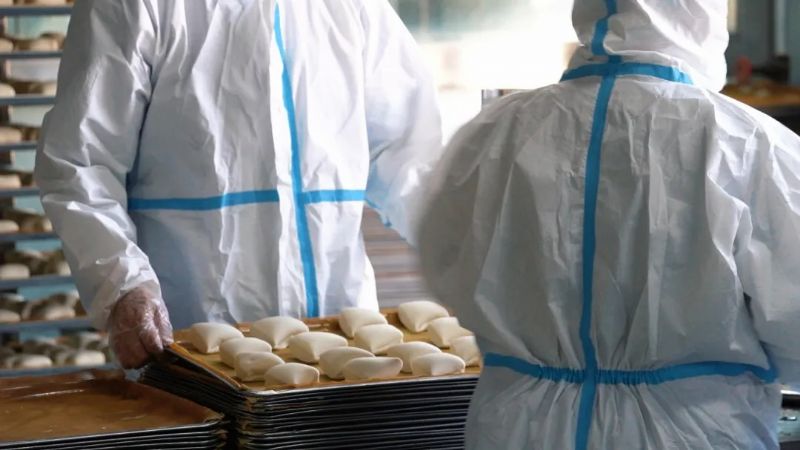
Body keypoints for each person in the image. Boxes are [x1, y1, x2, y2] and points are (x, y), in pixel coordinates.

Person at [418, 0, 800, 448]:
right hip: (689, 432)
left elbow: (445, 270)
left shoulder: (493, 132)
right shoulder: (746, 142)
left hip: (518, 427)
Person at [35, 0, 442, 369]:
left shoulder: (356, 8)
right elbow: (83, 163)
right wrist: (123, 285)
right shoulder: (136, 6)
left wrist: (462, 244)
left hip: (342, 340)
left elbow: (407, 159)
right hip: (194, 338)